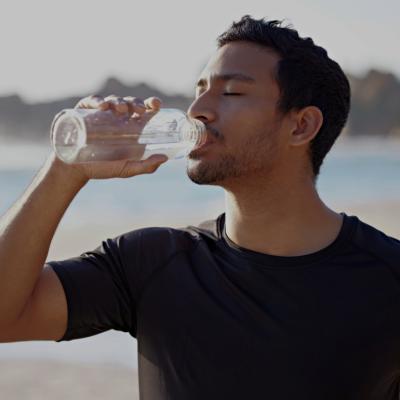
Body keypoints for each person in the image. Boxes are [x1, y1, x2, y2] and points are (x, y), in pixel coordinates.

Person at [1, 15, 399, 400]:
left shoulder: (387, 278)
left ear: (301, 126)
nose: (197, 110)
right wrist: (65, 170)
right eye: (199, 91)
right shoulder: (151, 263)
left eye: (231, 93)